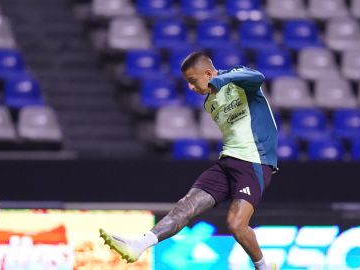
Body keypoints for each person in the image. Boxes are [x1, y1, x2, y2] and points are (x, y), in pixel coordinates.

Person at [100, 51, 278, 270]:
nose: (191, 88)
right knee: (186, 205)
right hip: (227, 161)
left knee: (236, 224)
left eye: (193, 81)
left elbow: (257, 77)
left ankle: (263, 267)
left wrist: (219, 79)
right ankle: (139, 245)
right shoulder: (209, 103)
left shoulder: (240, 82)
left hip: (254, 163)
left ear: (208, 73)